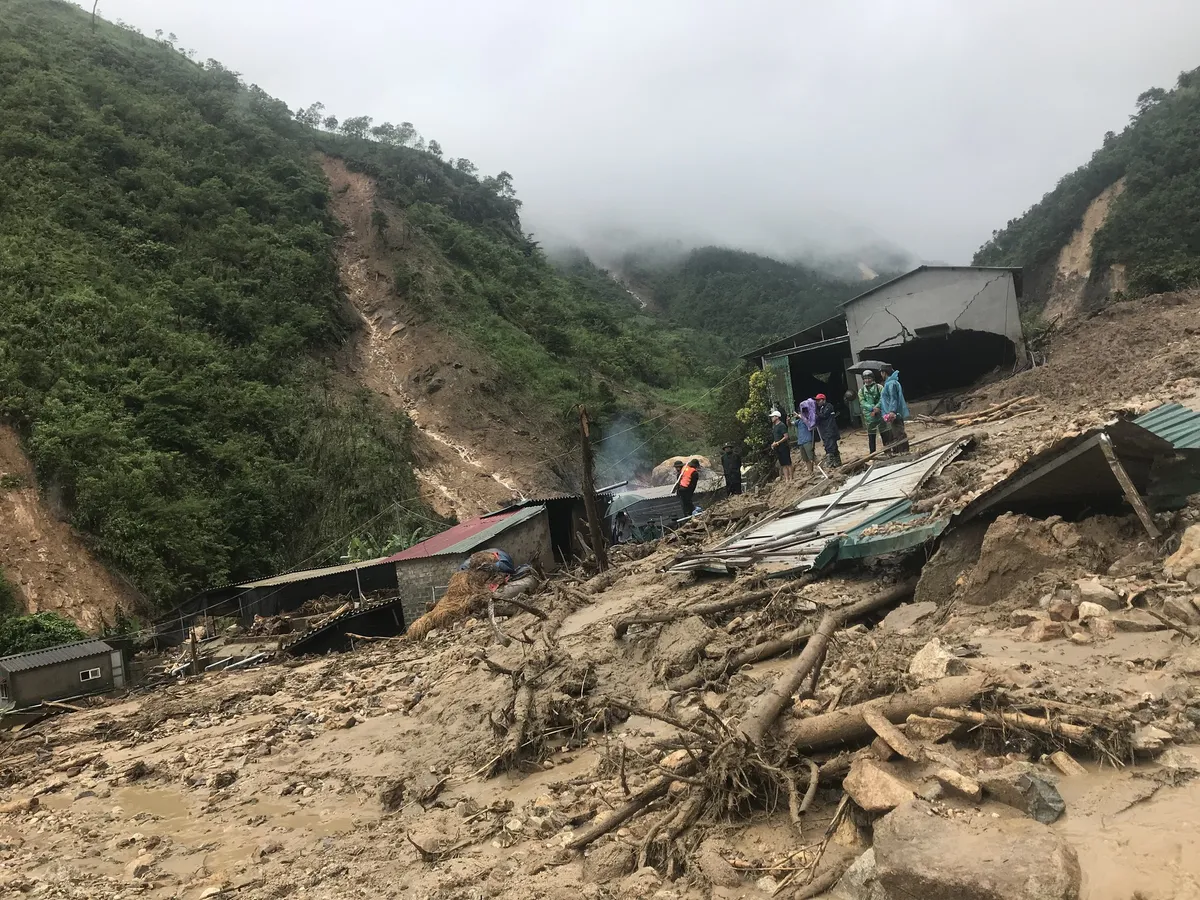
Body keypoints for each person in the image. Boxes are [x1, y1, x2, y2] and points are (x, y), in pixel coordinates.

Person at [879, 364, 910, 453]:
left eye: (882, 372)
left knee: (898, 433)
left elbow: (893, 398)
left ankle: (903, 451)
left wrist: (892, 411)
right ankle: (900, 451)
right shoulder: (890, 383)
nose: (881, 374)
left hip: (894, 413)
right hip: (892, 412)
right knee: (896, 432)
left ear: (884, 373)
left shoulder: (891, 383)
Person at [858, 370, 886, 455]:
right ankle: (873, 454)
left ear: (872, 378)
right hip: (869, 416)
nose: (867, 380)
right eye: (865, 379)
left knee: (885, 433)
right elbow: (862, 402)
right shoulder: (861, 391)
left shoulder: (879, 387)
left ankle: (888, 451)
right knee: (871, 436)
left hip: (880, 413)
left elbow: (883, 398)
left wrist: (877, 407)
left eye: (869, 378)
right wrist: (871, 408)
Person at [791, 397, 817, 477]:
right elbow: (790, 424)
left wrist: (799, 416)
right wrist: (788, 420)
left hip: (807, 441)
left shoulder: (808, 419)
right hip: (801, 442)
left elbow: (810, 424)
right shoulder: (798, 421)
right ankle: (810, 473)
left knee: (812, 457)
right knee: (806, 459)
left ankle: (823, 468)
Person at [814, 393, 842, 467]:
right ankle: (837, 463)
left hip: (830, 430)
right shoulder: (821, 408)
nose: (818, 402)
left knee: (829, 447)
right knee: (832, 446)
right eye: (817, 401)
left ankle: (830, 463)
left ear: (823, 400)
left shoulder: (828, 406)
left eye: (819, 400)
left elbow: (823, 416)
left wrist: (816, 411)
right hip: (825, 431)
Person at [769, 409, 793, 481]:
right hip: (778, 447)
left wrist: (778, 443)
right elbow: (776, 437)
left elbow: (786, 436)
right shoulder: (774, 426)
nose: (772, 418)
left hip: (783, 446)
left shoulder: (782, 425)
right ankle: (786, 479)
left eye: (773, 417)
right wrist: (774, 443)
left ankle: (791, 478)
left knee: (788, 463)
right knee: (783, 464)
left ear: (777, 417)